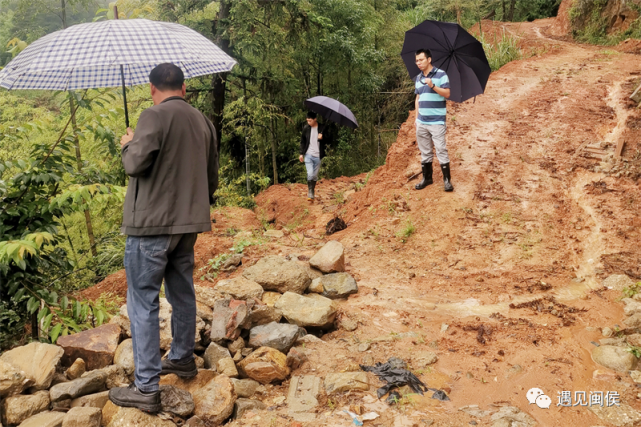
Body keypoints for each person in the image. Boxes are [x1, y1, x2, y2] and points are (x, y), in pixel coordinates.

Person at [108, 63, 219, 413]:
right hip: (188, 225)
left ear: (152, 88)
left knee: (143, 300)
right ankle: (183, 358)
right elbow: (211, 177)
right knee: (181, 290)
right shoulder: (203, 122)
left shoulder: (152, 117)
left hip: (151, 227)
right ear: (184, 87)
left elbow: (134, 165)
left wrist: (128, 144)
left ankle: (146, 388)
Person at [413, 48, 454, 192]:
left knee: (441, 149)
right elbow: (417, 98)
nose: (418, 63)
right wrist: (416, 118)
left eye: (421, 60)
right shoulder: (418, 78)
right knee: (425, 151)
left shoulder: (441, 75)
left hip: (436, 121)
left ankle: (447, 181)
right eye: (417, 60)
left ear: (429, 59)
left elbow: (447, 94)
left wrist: (433, 86)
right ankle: (427, 178)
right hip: (422, 121)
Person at [299, 111, 326, 201]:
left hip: (318, 156)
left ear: (315, 119)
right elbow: (302, 141)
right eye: (307, 120)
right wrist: (301, 153)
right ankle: (310, 192)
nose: (308, 122)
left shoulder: (322, 128)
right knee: (310, 173)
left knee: (314, 176)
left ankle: (312, 190)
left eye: (310, 120)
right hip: (308, 154)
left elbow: (330, 140)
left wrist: (322, 138)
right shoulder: (306, 128)